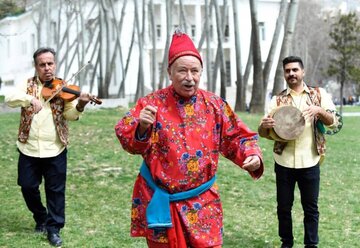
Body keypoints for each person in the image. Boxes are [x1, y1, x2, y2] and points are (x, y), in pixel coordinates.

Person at [115, 29, 264, 248]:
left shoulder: (214, 105)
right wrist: (142, 127)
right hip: (163, 202)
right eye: (182, 71)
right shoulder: (151, 104)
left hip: (203, 203)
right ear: (169, 72)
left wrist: (252, 155)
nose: (189, 77)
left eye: (195, 71)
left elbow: (237, 137)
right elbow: (126, 138)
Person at [5, 47, 93, 247]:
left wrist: (81, 105)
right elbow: (9, 99)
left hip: (55, 149)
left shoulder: (64, 88)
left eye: (50, 63)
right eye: (42, 64)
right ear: (36, 67)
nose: (47, 68)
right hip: (28, 148)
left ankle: (54, 229)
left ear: (55, 64)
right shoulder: (26, 86)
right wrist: (30, 99)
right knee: (27, 186)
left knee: (56, 191)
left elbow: (70, 115)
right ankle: (40, 216)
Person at [258, 56, 342, 248]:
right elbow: (264, 133)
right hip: (284, 162)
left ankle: (311, 245)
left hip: (310, 161)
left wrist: (318, 110)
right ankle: (286, 243)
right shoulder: (277, 99)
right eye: (287, 71)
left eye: (295, 70)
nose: (291, 74)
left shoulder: (318, 94)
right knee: (284, 208)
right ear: (284, 74)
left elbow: (334, 121)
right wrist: (264, 126)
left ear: (303, 72)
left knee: (311, 208)